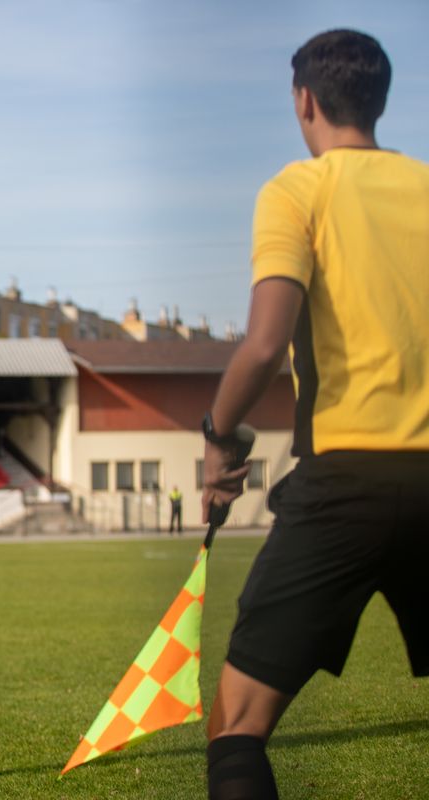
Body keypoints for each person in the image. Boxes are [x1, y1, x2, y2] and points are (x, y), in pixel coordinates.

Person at [201, 30, 427, 800]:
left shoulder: (298, 189)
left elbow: (264, 346)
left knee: (236, 722)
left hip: (346, 484)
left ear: (304, 101)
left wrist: (217, 438)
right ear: (381, 99)